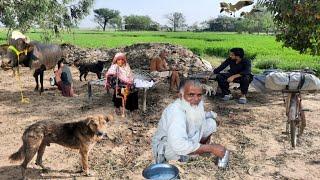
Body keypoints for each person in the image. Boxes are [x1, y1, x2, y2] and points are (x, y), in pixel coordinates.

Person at [152, 79, 228, 163]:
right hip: (170, 147)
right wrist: (210, 148)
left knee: (211, 123)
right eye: (191, 95)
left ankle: (195, 149)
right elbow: (178, 145)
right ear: (181, 96)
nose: (196, 99)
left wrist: (213, 115)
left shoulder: (196, 103)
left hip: (188, 137)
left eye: (199, 95)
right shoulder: (175, 112)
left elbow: (199, 114)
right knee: (176, 149)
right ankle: (190, 154)